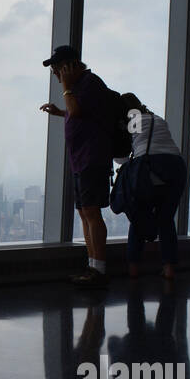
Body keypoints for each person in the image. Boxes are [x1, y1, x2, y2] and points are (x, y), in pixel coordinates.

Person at [40, 45, 114, 287]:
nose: (54, 73)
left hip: (92, 158)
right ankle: (92, 266)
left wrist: (66, 86)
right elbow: (79, 113)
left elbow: (78, 109)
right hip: (81, 160)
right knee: (84, 212)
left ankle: (99, 269)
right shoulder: (81, 86)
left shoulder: (90, 82)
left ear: (69, 65)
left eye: (56, 68)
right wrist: (61, 113)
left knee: (91, 212)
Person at [114, 93, 186, 280]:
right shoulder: (157, 118)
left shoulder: (133, 120)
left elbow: (122, 158)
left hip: (149, 168)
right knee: (166, 220)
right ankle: (169, 268)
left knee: (138, 217)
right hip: (176, 167)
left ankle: (134, 268)